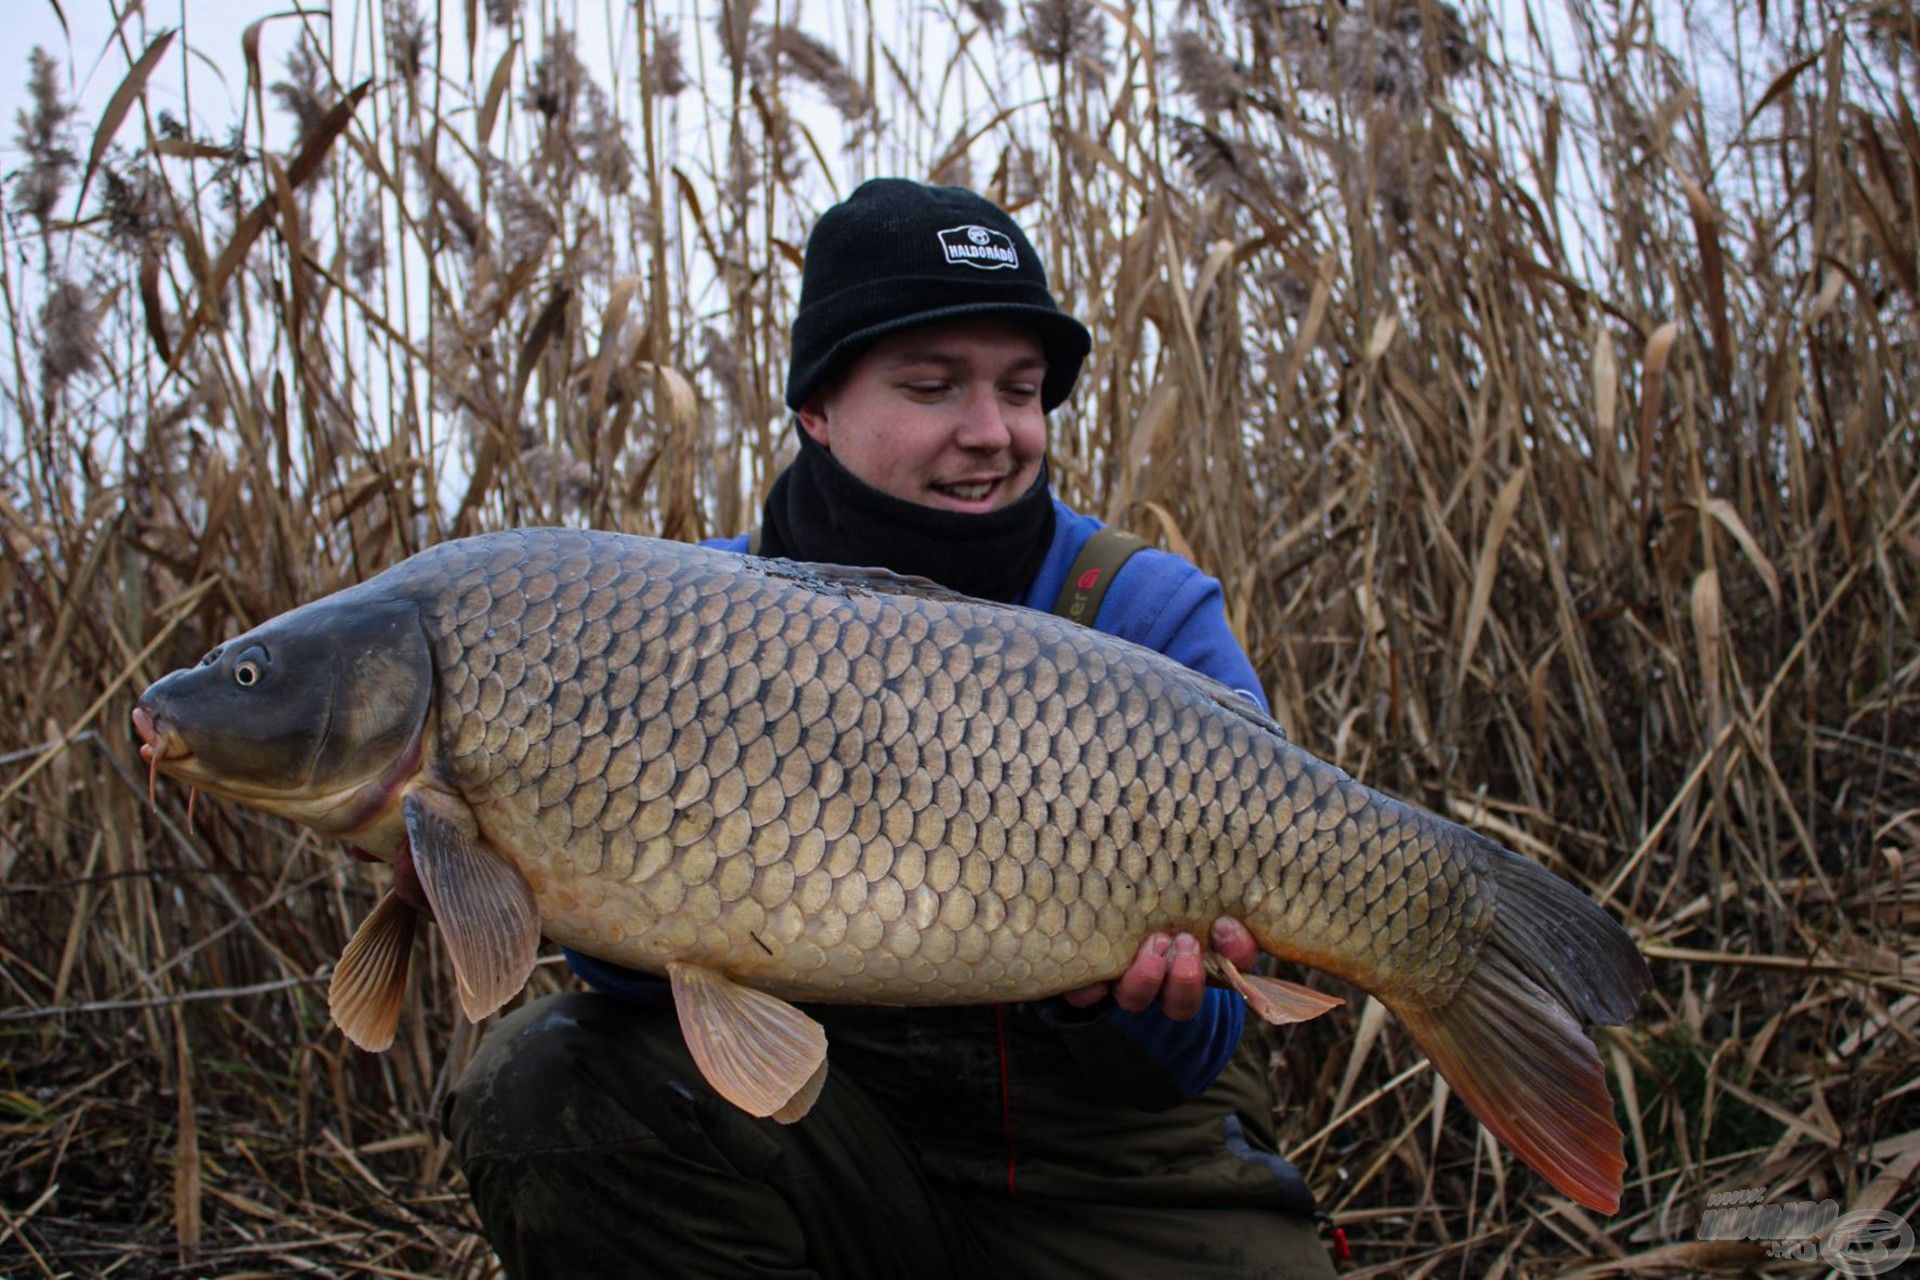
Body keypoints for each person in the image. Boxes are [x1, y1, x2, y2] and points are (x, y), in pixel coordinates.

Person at [443, 179, 1338, 1279]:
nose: (993, 432)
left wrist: (1128, 1000)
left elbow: (1194, 1056)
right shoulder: (676, 621)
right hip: (820, 1150)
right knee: (541, 1084)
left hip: (1107, 1175)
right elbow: (638, 998)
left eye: (1022, 389)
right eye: (932, 385)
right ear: (816, 405)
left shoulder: (1144, 614)